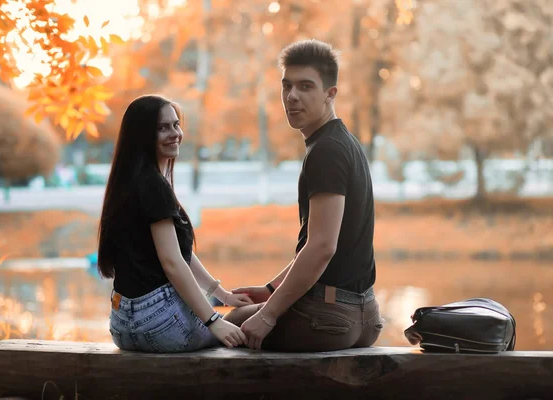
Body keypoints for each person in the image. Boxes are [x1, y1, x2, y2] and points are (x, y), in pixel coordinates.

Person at [227, 39, 384, 351]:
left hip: (329, 318)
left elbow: (322, 247)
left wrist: (269, 314)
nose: (292, 96)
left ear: (330, 93)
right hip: (363, 314)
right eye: (286, 86)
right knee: (239, 317)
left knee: (227, 327)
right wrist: (271, 289)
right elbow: (321, 247)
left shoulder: (326, 151)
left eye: (305, 86)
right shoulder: (343, 142)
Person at [97, 95, 252, 353]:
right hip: (158, 323)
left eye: (176, 125)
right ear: (142, 135)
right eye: (162, 128)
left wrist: (222, 295)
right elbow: (172, 262)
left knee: (242, 314)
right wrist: (214, 321)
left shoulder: (128, 183)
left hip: (122, 326)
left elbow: (181, 253)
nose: (175, 133)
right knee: (255, 317)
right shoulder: (153, 185)